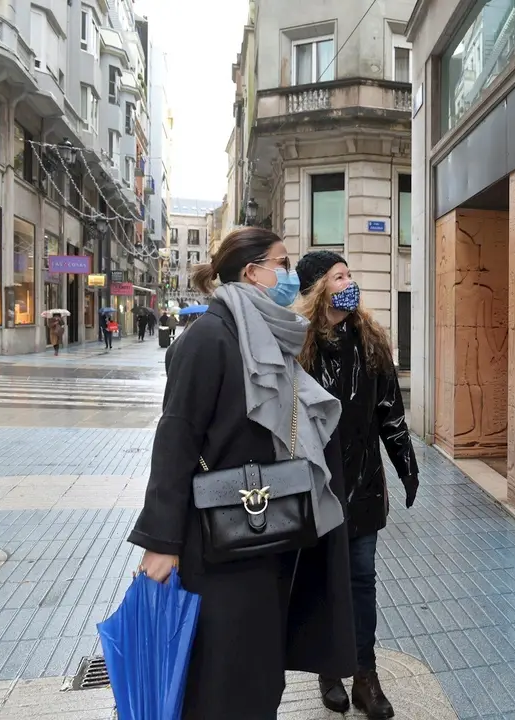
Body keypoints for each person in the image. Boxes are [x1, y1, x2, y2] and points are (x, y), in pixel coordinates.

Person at [128, 228, 356, 718]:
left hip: (265, 530)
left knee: (259, 669)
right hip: (216, 540)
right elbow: (175, 439)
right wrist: (161, 542)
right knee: (222, 672)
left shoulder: (268, 335)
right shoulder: (208, 338)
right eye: (282, 263)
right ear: (252, 272)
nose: (290, 274)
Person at [295, 251, 418, 719]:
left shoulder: (370, 340)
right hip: (316, 484)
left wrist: (406, 465)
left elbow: (390, 411)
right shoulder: (298, 345)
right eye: (338, 277)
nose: (349, 283)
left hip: (363, 483)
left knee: (362, 579)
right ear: (317, 289)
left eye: (349, 274)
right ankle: (329, 668)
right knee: (325, 579)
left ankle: (366, 676)